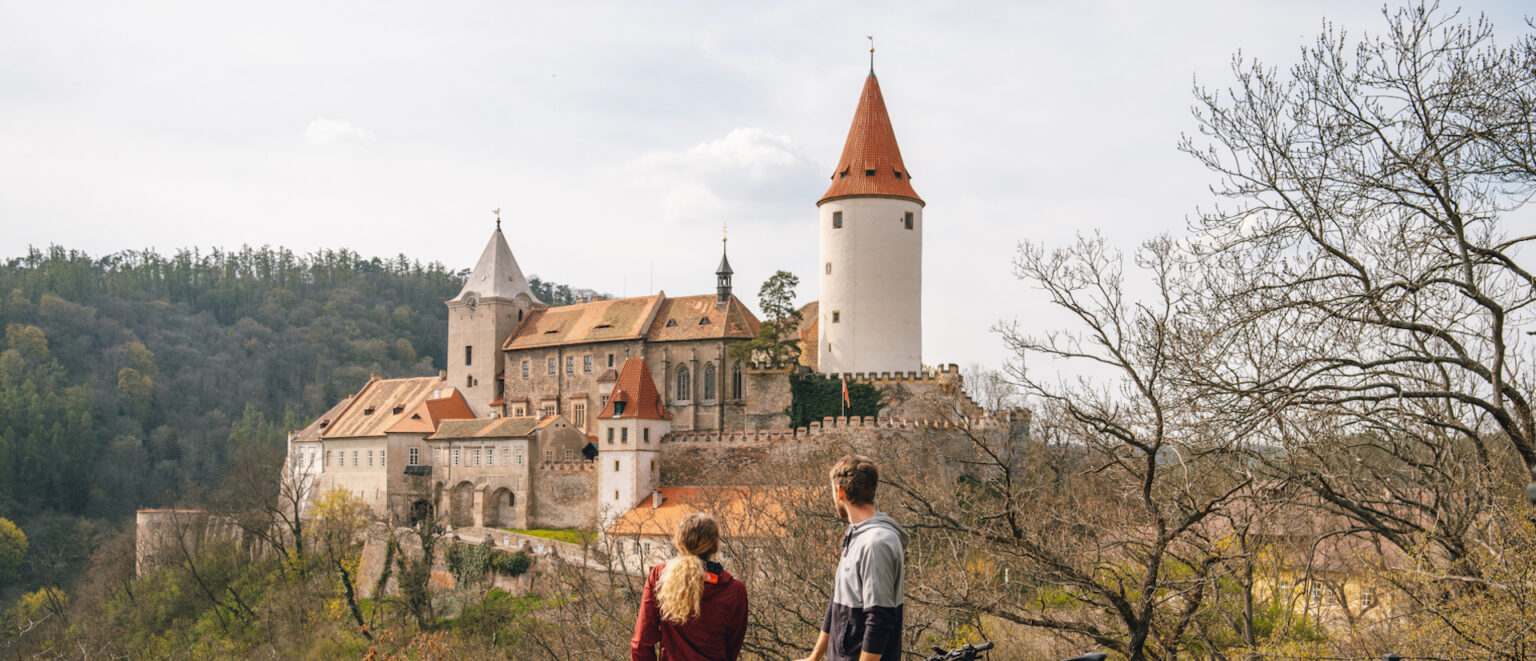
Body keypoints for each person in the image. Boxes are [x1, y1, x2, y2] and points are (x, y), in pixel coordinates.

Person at [796, 455, 907, 661]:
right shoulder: (857, 536)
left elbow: (880, 619)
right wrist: (815, 657)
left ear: (839, 491)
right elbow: (837, 603)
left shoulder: (875, 543)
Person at [631, 512, 748, 661]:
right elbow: (731, 649)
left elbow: (641, 644)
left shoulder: (660, 576)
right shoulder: (735, 590)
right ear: (714, 547)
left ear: (680, 543)